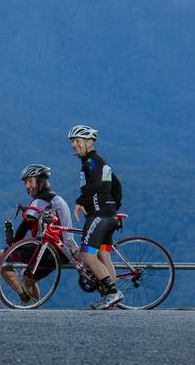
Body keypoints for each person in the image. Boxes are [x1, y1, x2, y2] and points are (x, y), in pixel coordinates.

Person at [0, 164, 78, 305]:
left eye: (30, 181)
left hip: (50, 250)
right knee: (28, 278)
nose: (26, 186)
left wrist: (13, 244)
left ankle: (26, 299)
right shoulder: (54, 198)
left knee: (0, 257)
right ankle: (33, 307)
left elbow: (26, 224)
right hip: (63, 251)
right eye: (25, 182)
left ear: (41, 181)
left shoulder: (41, 200)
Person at [68, 125, 123, 309]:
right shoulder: (100, 161)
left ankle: (112, 293)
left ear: (89, 142)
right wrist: (114, 206)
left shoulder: (91, 161)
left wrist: (81, 201)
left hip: (99, 215)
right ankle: (112, 300)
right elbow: (116, 184)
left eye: (78, 141)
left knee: (86, 253)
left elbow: (96, 184)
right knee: (104, 254)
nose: (74, 145)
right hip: (108, 215)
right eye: (72, 142)